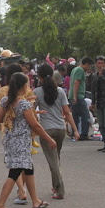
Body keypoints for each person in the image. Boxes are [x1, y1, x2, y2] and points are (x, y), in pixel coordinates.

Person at [0, 72, 57, 208]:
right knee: (15, 172)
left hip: (10, 140)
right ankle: (0, 205)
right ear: (24, 86)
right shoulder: (24, 104)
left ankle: (36, 200)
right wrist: (49, 140)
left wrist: (11, 118)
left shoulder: (5, 101)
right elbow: (36, 126)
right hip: (21, 142)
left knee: (28, 168)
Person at [34, 64, 79, 199]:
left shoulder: (37, 92)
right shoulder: (60, 91)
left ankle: (60, 190)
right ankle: (55, 186)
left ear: (40, 77)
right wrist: (75, 130)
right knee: (56, 159)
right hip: (60, 129)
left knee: (53, 162)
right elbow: (67, 112)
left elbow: (30, 111)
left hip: (47, 130)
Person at [68, 57, 95, 141]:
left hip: (72, 96)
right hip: (78, 96)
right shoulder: (80, 70)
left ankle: (74, 133)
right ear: (86, 64)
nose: (89, 68)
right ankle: (84, 134)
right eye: (89, 66)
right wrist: (75, 96)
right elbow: (76, 82)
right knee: (85, 115)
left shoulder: (74, 69)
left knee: (75, 116)